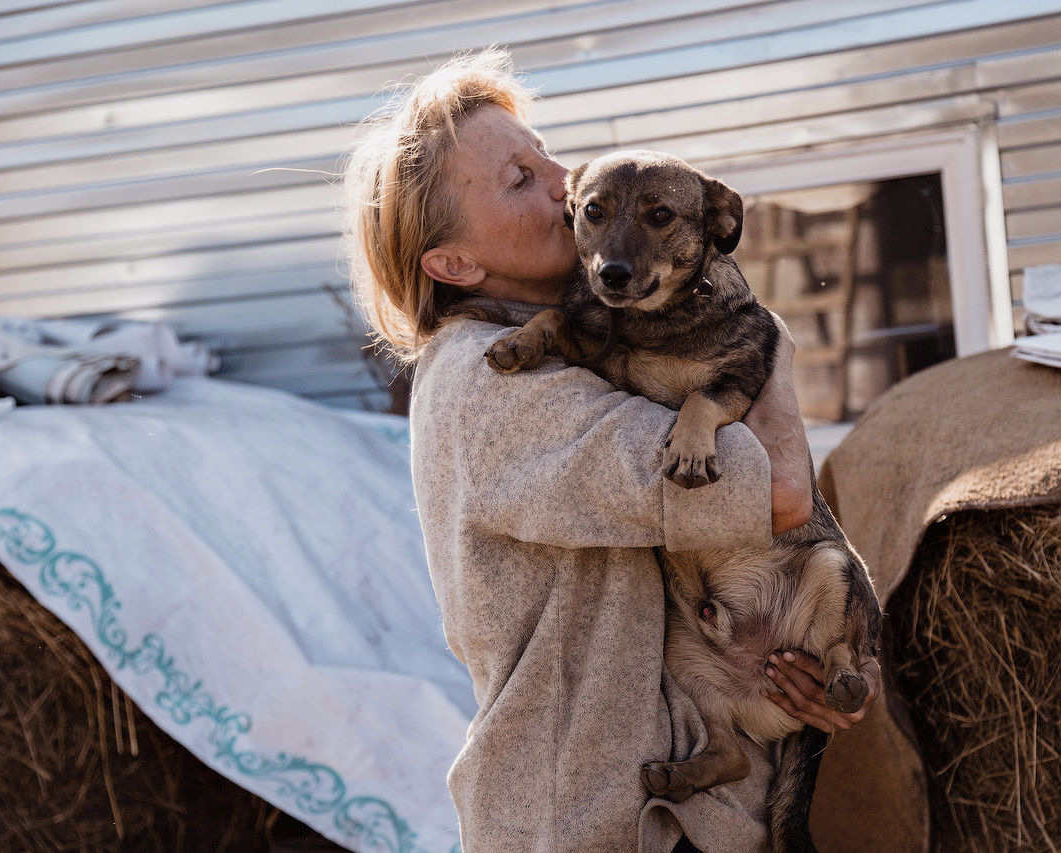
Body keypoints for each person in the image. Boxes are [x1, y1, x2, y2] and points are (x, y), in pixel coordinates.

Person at [343, 48, 874, 853]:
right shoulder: (490, 384)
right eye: (519, 179)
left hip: (667, 804)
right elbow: (777, 493)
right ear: (455, 263)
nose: (564, 183)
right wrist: (772, 347)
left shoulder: (584, 343)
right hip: (590, 823)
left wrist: (813, 667)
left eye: (545, 153)